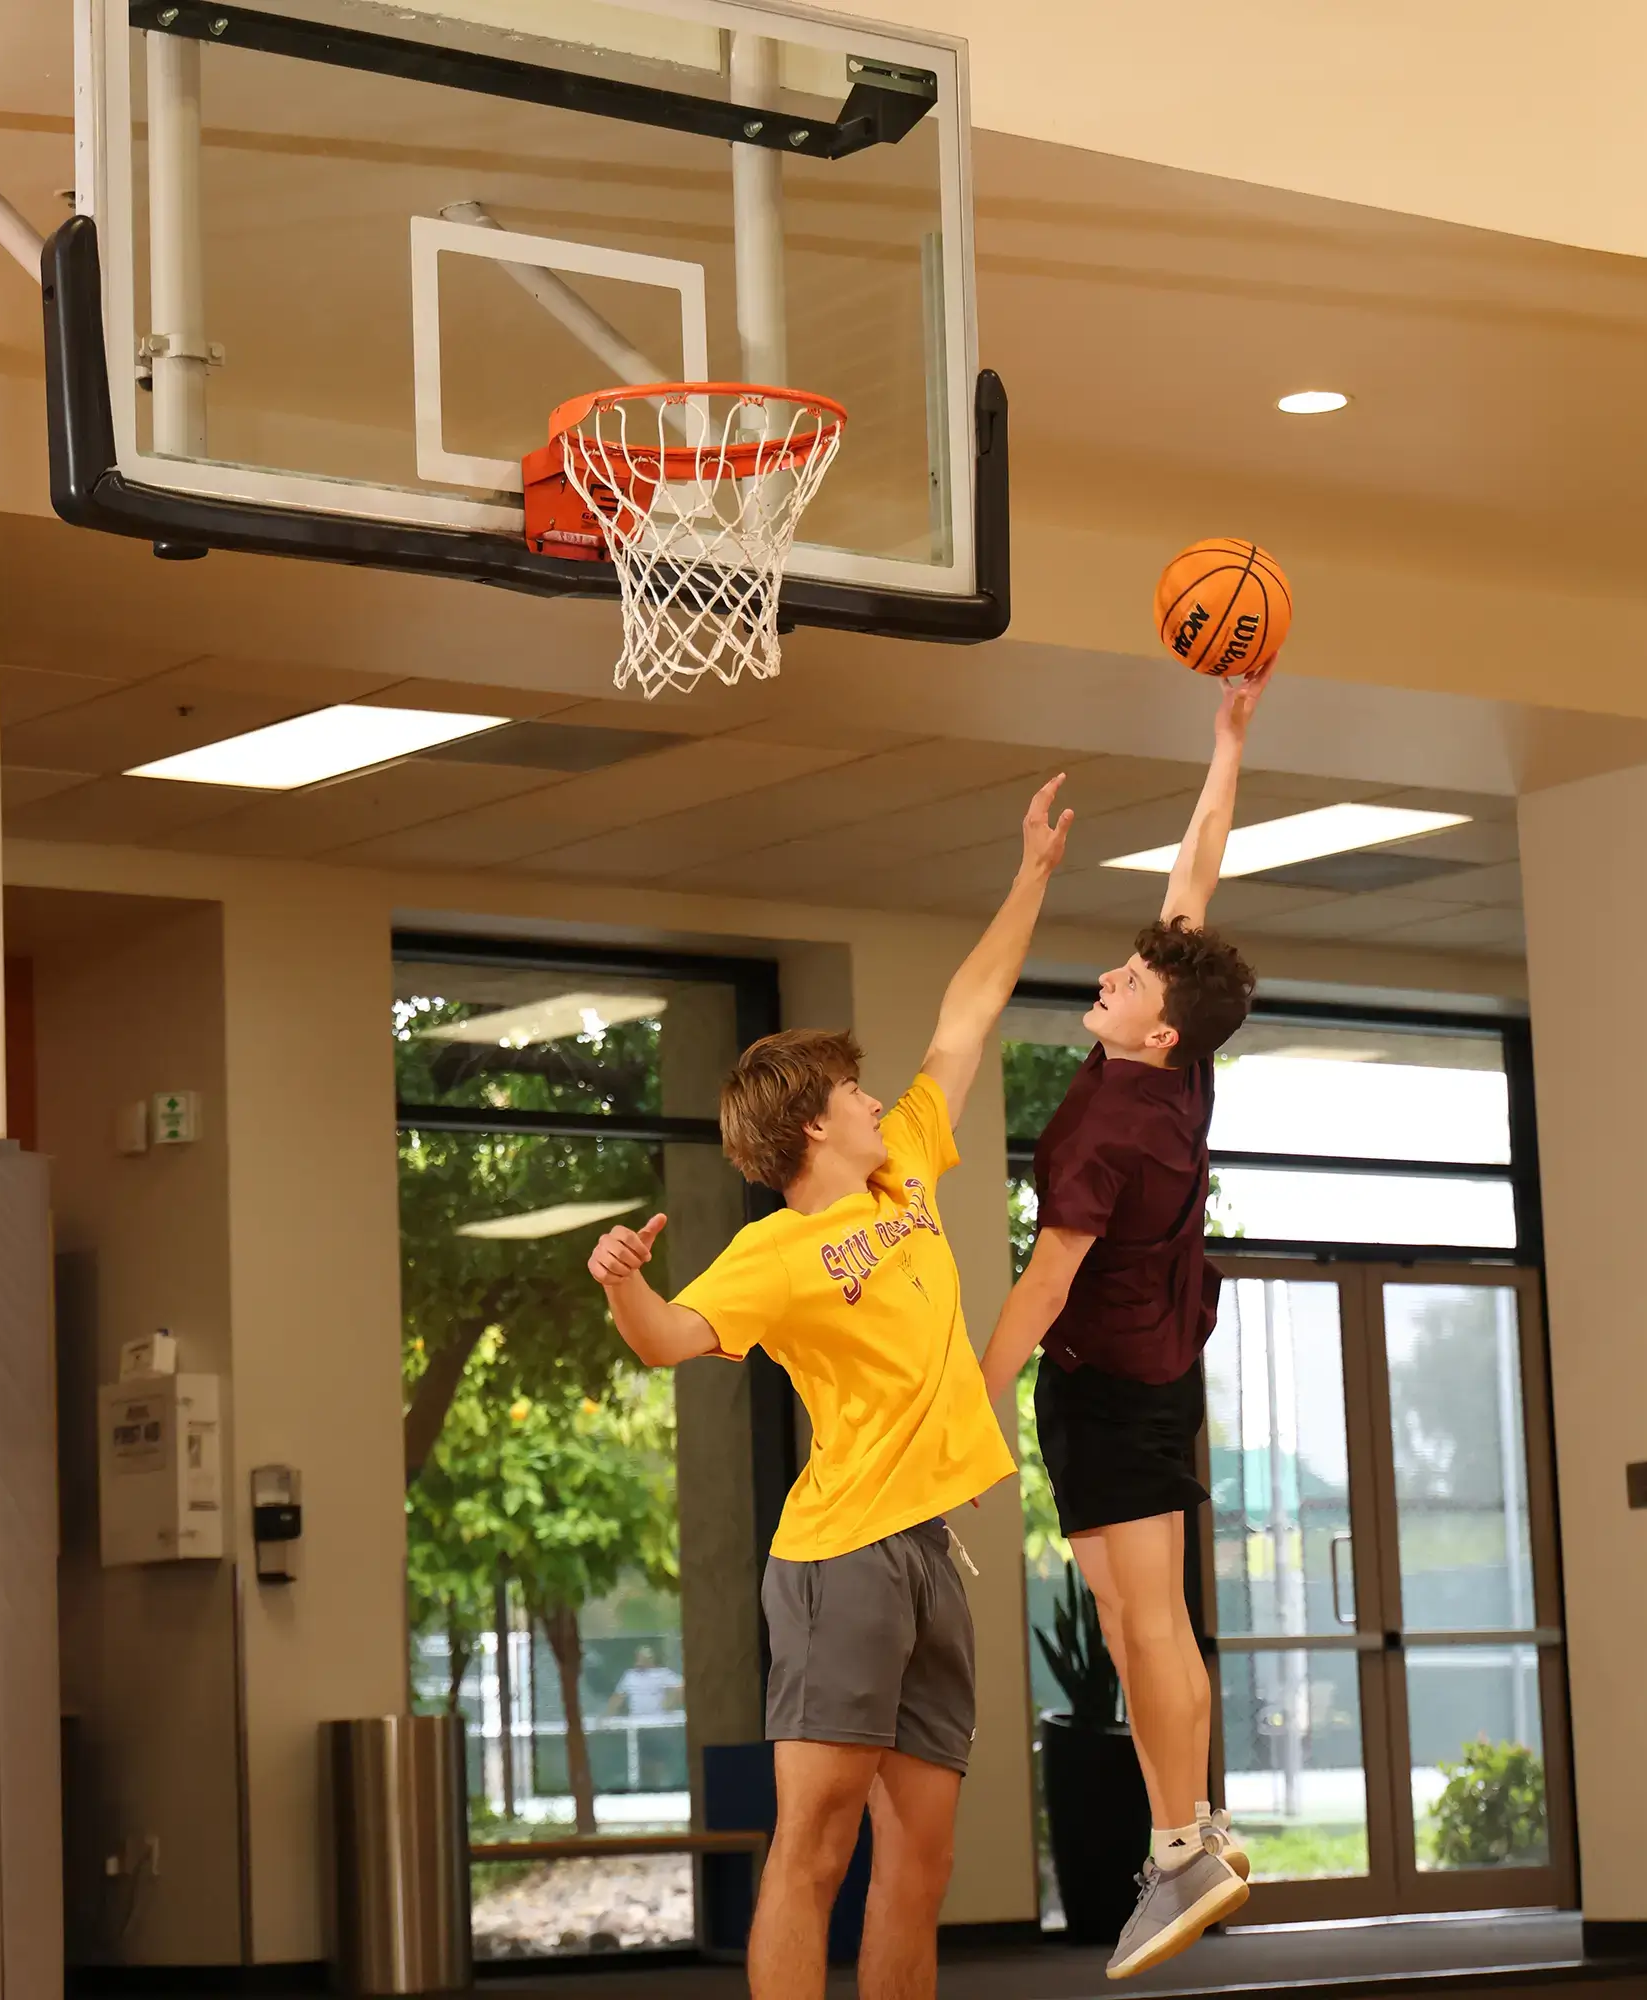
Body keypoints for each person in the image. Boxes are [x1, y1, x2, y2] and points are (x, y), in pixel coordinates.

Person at [587, 776, 1073, 2000]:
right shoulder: (772, 1255)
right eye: (849, 1090)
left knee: (925, 1853)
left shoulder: (902, 1163)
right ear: (810, 1127)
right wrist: (619, 1285)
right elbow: (668, 1338)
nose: (874, 1095)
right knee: (816, 1848)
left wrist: (1029, 876)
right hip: (837, 1559)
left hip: (926, 1549)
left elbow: (967, 1015)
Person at [981, 665, 1272, 1980]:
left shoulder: (1104, 1126)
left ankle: (1178, 1852)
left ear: (1162, 1024)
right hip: (1160, 1376)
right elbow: (1195, 882)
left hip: (1107, 1388)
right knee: (1135, 1613)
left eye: (1132, 978)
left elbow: (1043, 1292)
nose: (1113, 972)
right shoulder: (1176, 1067)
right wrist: (1225, 745)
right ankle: (1198, 1828)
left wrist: (964, 1397)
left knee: (1142, 1624)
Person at [607, 1644, 684, 1719]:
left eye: (643, 1657)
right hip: (636, 1722)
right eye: (638, 1657)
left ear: (651, 1658)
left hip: (658, 1721)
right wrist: (607, 1715)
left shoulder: (663, 1674)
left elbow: (682, 1687)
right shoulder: (630, 1675)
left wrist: (671, 1702)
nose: (639, 1660)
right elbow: (617, 1698)